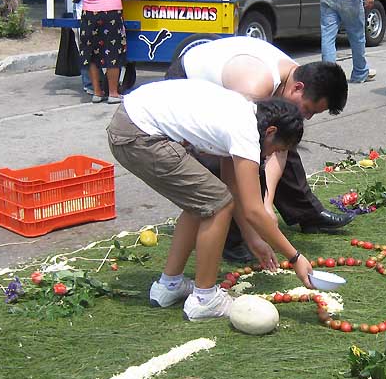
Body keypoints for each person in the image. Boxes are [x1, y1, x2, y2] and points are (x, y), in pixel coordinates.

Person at [107, 82, 315, 319]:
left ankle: (169, 285)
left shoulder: (244, 115)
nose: (269, 156)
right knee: (217, 204)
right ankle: (205, 299)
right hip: (138, 135)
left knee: (204, 200)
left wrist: (253, 239)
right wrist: (295, 257)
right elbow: (254, 211)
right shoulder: (246, 131)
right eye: (276, 148)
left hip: (129, 124)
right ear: (270, 132)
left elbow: (233, 187)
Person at [166, 36, 353, 259]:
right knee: (222, 163)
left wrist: (267, 202)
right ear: (298, 88)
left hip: (232, 87)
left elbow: (280, 149)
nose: (308, 117)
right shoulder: (254, 87)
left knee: (285, 137)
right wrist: (258, 211)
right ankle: (232, 238)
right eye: (308, 109)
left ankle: (307, 213)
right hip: (188, 82)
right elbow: (237, 155)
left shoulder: (297, 76)